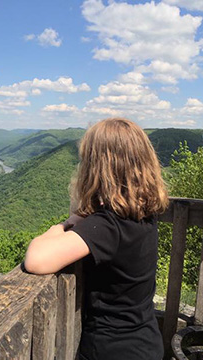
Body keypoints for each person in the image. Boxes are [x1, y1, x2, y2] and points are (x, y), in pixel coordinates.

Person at [22, 117, 168, 360]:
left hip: (112, 350)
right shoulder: (144, 214)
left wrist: (61, 225)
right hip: (146, 341)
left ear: (97, 168)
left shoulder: (107, 226)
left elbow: (36, 260)